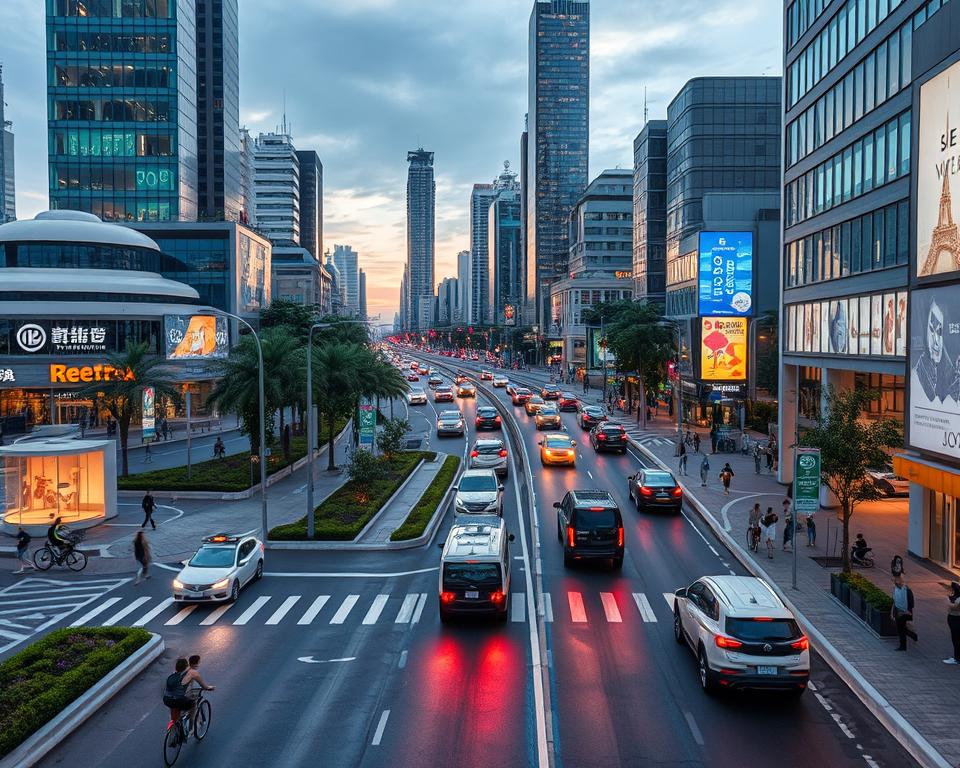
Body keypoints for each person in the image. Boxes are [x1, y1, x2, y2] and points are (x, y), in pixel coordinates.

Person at [891, 575, 917, 651]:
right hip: (897, 612)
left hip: (905, 613)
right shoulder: (896, 590)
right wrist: (892, 612)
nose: (896, 584)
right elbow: (894, 602)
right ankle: (912, 635)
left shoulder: (907, 590)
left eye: (897, 582)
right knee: (901, 628)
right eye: (895, 583)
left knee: (901, 629)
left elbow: (911, 603)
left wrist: (907, 611)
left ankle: (903, 646)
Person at [944, 582, 960, 665]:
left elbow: (956, 607)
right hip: (953, 618)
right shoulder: (956, 596)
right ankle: (956, 657)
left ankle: (957, 658)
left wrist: (948, 602)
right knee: (955, 638)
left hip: (956, 619)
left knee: (956, 638)